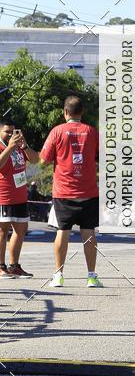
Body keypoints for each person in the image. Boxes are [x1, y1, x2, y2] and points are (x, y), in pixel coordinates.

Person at [36, 96, 101, 288]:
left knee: (62, 232)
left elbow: (43, 160)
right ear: (82, 112)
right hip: (88, 191)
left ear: (65, 112)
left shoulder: (57, 131)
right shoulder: (92, 131)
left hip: (63, 191)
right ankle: (91, 276)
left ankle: (58, 275)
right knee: (89, 233)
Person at [0, 119, 37, 279]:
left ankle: (14, 266)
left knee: (20, 230)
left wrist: (25, 146)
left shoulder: (19, 147)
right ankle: (1, 266)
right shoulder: (4, 146)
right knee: (2, 231)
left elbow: (35, 160)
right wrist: (9, 147)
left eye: (13, 131)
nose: (11, 135)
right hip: (4, 196)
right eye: (7, 131)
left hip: (20, 196)